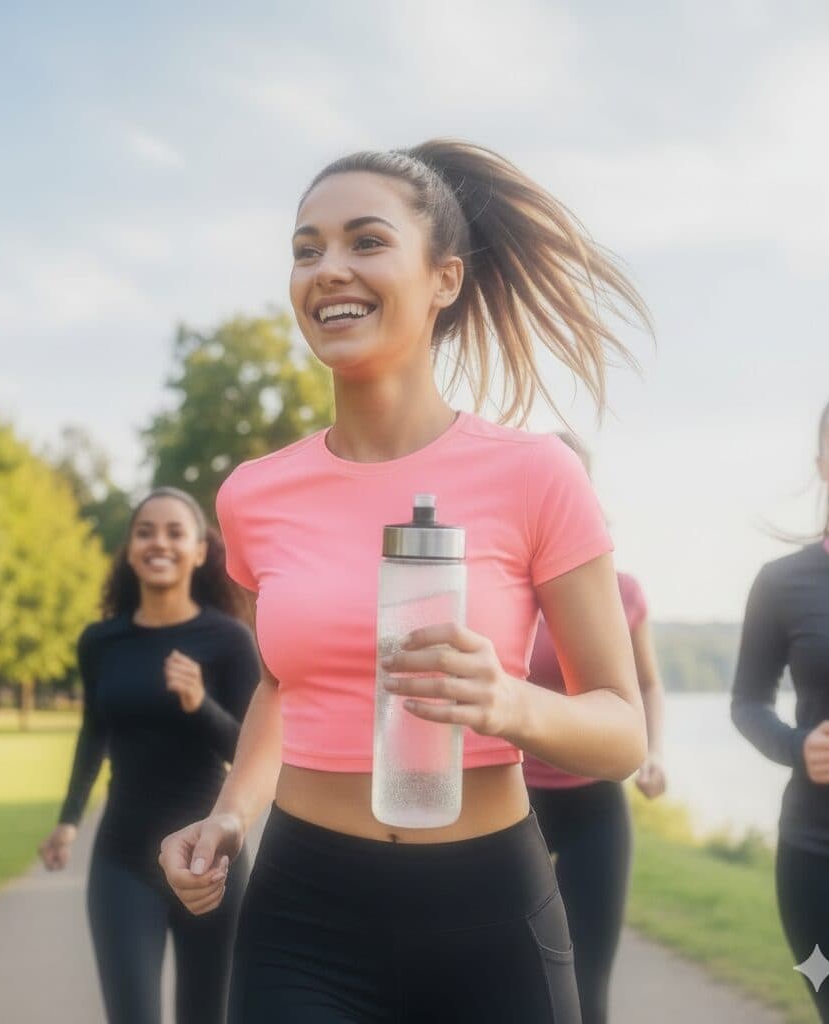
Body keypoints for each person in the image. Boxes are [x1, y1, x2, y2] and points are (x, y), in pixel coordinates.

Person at [160, 140, 651, 1024]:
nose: (328, 269)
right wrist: (232, 815)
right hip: (304, 913)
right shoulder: (253, 495)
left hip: (491, 912)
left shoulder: (538, 475)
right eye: (306, 250)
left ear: (445, 279)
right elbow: (282, 685)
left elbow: (621, 731)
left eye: (365, 242)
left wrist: (506, 703)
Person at [38, 488, 260, 1024]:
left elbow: (253, 753)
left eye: (174, 532)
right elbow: (94, 733)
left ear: (201, 551)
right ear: (130, 549)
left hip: (210, 861)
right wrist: (68, 821)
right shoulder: (101, 642)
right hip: (122, 859)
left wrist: (198, 704)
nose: (158, 542)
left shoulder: (229, 640)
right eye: (145, 531)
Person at [731, 382, 829, 1023]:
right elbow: (747, 702)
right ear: (821, 464)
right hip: (824, 863)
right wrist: (797, 747)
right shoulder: (785, 583)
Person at [524, 433, 666, 1024]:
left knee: (587, 986)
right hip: (510, 806)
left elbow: (647, 684)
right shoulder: (500, 589)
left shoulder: (621, 589)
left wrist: (653, 753)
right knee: (512, 975)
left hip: (595, 808)